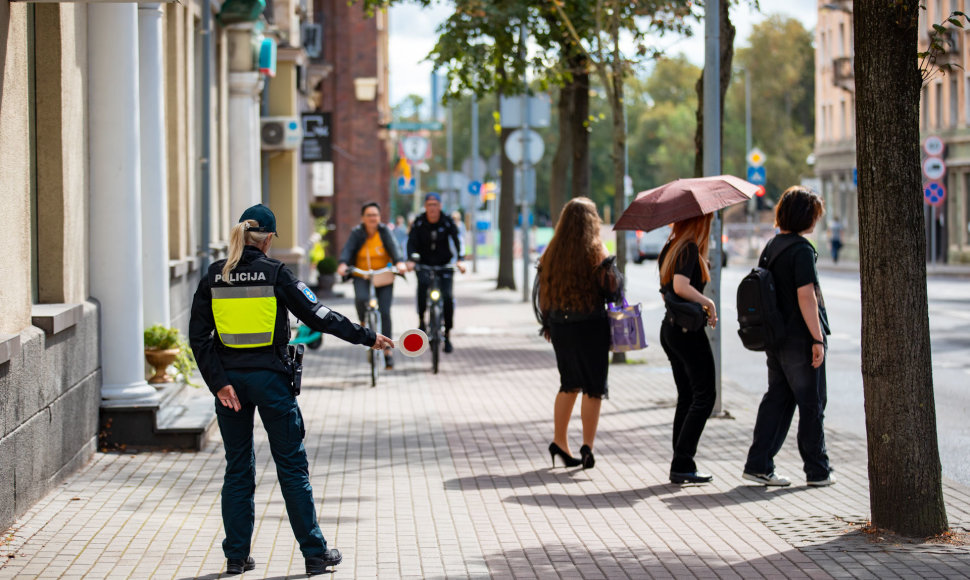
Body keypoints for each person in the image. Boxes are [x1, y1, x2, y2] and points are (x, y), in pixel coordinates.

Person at [189, 204, 394, 576]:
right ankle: (315, 553)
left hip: (231, 387)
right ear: (267, 239)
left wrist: (218, 383)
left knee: (237, 468)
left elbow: (198, 337)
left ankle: (236, 556)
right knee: (292, 467)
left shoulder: (215, 275)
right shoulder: (275, 273)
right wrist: (367, 337)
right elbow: (321, 316)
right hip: (271, 383)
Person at [742, 186, 834, 487]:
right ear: (805, 216)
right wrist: (817, 339)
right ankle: (818, 471)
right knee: (812, 403)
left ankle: (758, 463)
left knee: (778, 400)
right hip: (800, 339)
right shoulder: (802, 250)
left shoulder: (773, 245)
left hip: (777, 338)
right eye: (815, 214)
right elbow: (806, 296)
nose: (817, 220)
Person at [534, 198, 623, 470]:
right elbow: (612, 289)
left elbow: (543, 292)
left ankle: (559, 441)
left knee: (569, 383)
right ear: (592, 221)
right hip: (591, 325)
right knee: (593, 387)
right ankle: (587, 446)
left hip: (561, 325)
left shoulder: (552, 252)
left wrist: (548, 323)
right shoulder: (595, 249)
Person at [658, 213, 718, 484]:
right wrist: (708, 302)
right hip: (686, 332)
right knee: (705, 395)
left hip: (670, 329)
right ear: (700, 221)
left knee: (687, 396)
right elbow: (680, 287)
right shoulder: (688, 248)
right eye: (710, 219)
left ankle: (681, 462)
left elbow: (666, 292)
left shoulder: (670, 247)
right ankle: (682, 460)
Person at [336, 202, 407, 369]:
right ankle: (363, 320)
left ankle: (388, 351)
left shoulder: (384, 232)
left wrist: (400, 262)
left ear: (379, 217)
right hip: (362, 273)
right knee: (361, 298)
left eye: (375, 215)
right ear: (363, 218)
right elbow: (347, 250)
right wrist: (343, 264)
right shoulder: (357, 233)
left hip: (383, 275)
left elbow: (395, 249)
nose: (372, 218)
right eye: (369, 215)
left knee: (385, 311)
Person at [406, 192, 466, 353]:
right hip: (423, 264)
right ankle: (421, 321)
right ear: (425, 207)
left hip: (444, 265)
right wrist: (411, 260)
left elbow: (457, 239)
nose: (432, 208)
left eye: (435, 205)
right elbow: (411, 242)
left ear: (440, 206)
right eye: (429, 205)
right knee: (422, 287)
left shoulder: (447, 221)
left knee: (447, 297)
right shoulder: (419, 222)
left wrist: (460, 259)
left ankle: (447, 335)